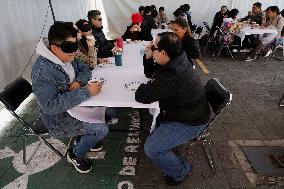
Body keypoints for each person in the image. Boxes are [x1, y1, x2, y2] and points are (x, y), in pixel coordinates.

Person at [32, 22, 109, 173]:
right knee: (101, 129)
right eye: (70, 48)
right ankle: (75, 154)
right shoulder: (42, 71)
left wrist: (79, 81)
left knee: (110, 112)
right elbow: (50, 106)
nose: (74, 53)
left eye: (75, 47)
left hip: (75, 106)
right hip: (59, 119)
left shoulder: (66, 54)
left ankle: (84, 137)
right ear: (54, 48)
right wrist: (86, 92)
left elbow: (86, 68)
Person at [135, 32, 211, 185]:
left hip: (190, 121)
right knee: (154, 132)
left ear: (163, 52)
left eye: (153, 46)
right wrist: (150, 57)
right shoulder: (179, 58)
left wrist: (147, 86)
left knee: (152, 149)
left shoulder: (173, 75)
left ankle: (181, 171)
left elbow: (141, 96)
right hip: (187, 111)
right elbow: (151, 74)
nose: (150, 47)